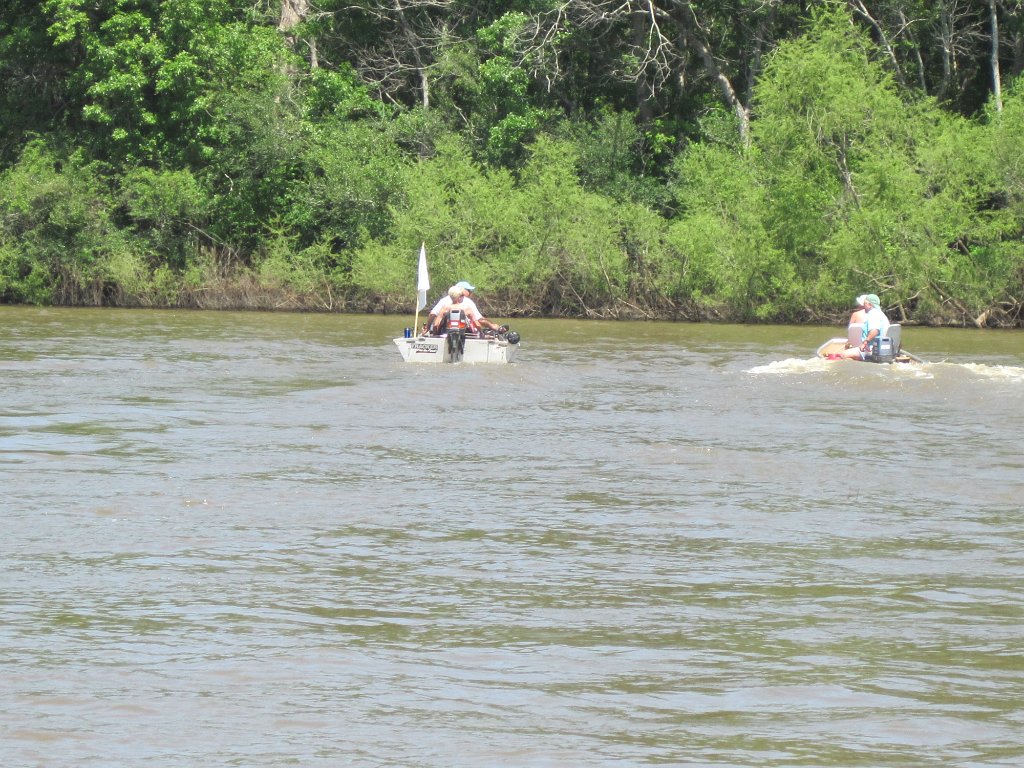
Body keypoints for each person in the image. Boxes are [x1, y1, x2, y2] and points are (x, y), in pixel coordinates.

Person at [426, 281, 504, 335]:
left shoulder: (444, 302)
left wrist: (427, 328)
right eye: (469, 290)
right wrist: (492, 326)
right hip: (464, 333)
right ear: (461, 290)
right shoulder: (468, 303)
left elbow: (432, 315)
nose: (471, 293)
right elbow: (479, 320)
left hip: (444, 332)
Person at [837, 293, 890, 360]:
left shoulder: (873, 314)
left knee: (844, 354)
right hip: (882, 348)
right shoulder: (882, 314)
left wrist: (865, 342)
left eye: (864, 304)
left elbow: (875, 330)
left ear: (870, 305)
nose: (863, 306)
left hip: (872, 349)